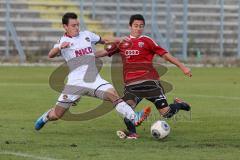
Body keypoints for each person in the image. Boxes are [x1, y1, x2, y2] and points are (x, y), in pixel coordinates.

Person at [34, 12, 150, 139]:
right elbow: (51, 54)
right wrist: (60, 47)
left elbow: (104, 40)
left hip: (94, 79)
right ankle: (45, 117)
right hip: (75, 84)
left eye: (77, 25)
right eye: (73, 25)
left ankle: (134, 117)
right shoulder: (63, 41)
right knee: (57, 114)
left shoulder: (87, 35)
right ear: (65, 27)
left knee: (113, 95)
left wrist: (120, 40)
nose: (77, 28)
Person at [99, 14, 192, 139]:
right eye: (136, 26)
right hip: (131, 85)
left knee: (166, 113)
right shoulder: (122, 43)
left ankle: (179, 104)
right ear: (130, 26)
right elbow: (104, 52)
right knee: (127, 109)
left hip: (150, 83)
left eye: (141, 26)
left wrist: (182, 67)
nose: (138, 29)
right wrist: (86, 55)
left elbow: (165, 55)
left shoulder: (147, 41)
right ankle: (133, 133)